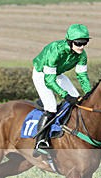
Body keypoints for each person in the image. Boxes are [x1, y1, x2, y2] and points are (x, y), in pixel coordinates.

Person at [31, 23, 92, 155]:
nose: (81, 47)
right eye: (78, 43)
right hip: (42, 74)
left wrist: (89, 93)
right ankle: (40, 141)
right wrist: (65, 95)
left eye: (85, 43)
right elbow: (49, 81)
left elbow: (82, 76)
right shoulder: (55, 51)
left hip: (57, 74)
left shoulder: (82, 55)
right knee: (51, 107)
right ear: (70, 42)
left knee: (78, 102)